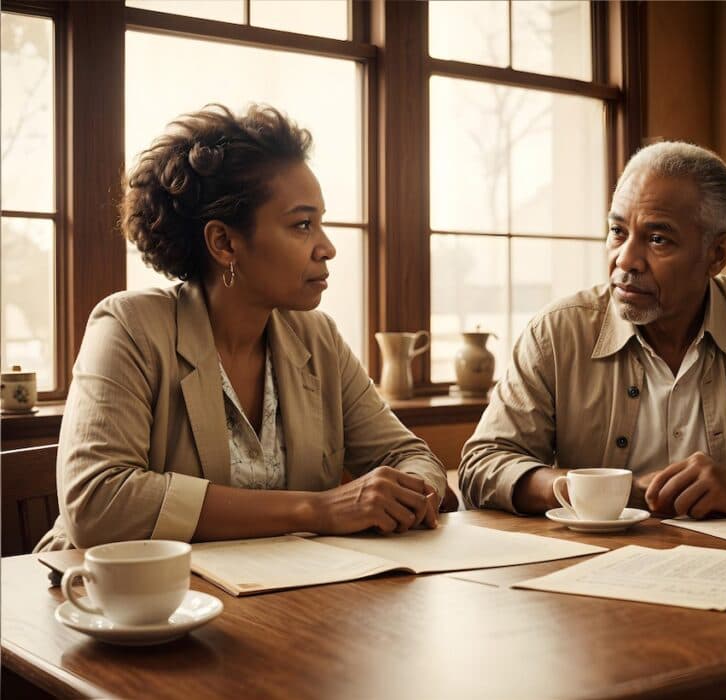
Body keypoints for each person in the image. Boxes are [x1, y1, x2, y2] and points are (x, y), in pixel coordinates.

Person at [37, 105, 448, 551]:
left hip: (281, 597)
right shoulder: (129, 327)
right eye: (302, 225)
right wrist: (320, 509)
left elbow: (411, 457)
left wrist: (408, 494)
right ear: (224, 242)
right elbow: (99, 504)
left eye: (321, 223)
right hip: (118, 606)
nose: (326, 247)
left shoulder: (318, 338)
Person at [459, 141, 726, 519]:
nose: (626, 260)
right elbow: (483, 464)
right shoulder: (557, 332)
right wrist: (591, 490)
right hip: (590, 575)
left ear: (717, 254)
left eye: (657, 239)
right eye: (617, 231)